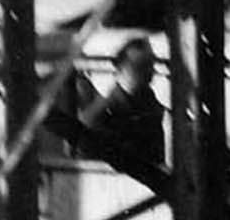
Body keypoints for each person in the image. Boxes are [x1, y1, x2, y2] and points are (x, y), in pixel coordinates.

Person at [64, 33, 166, 187]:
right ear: (120, 69)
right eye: (143, 66)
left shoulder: (151, 107)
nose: (151, 72)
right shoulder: (103, 113)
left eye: (150, 65)